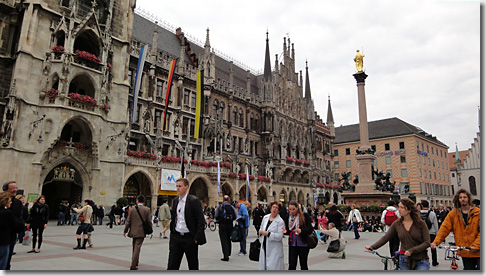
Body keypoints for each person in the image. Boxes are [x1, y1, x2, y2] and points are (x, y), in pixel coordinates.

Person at [366, 198, 430, 270]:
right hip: (404, 260)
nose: (399, 209)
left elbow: (427, 242)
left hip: (421, 260)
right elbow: (386, 237)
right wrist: (372, 247)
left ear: (409, 210)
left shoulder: (420, 223)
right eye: (399, 207)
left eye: (402, 207)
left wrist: (411, 250)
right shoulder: (397, 224)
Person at [431, 189, 480, 270]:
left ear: (469, 199)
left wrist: (476, 245)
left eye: (464, 197)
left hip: (478, 250)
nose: (462, 199)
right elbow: (444, 228)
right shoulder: (453, 214)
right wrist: (436, 242)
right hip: (465, 250)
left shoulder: (478, 213)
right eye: (460, 197)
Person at [167, 178, 206, 270]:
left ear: (186, 187)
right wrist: (172, 232)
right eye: (176, 186)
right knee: (172, 265)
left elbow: (201, 221)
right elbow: (174, 217)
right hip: (176, 237)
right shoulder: (176, 200)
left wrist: (196, 238)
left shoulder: (194, 201)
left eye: (180, 186)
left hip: (189, 238)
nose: (177, 188)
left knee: (192, 265)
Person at [282, 200, 314, 270]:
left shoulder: (304, 216)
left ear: (297, 208)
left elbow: (310, 229)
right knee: (292, 264)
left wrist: (301, 231)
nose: (292, 211)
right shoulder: (288, 217)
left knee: (303, 264)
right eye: (290, 209)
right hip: (293, 244)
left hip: (303, 243)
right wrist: (285, 231)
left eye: (293, 209)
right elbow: (288, 230)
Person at [123, 195, 152, 270]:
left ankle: (135, 261)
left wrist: (125, 230)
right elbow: (149, 221)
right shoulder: (147, 209)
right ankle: (133, 264)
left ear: (137, 201)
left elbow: (128, 221)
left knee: (134, 246)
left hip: (133, 231)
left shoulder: (132, 209)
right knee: (137, 247)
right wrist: (150, 230)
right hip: (141, 231)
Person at [2, 181, 23, 270]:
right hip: (2, 234)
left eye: (16, 188)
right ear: (6, 190)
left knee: (7, 258)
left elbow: (19, 217)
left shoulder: (17, 203)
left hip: (11, 235)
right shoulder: (1, 201)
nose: (15, 190)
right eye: (13, 188)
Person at [258, 201, 285, 270]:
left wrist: (269, 234)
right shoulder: (265, 218)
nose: (274, 209)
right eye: (273, 207)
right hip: (265, 244)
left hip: (274, 248)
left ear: (278, 211)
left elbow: (280, 236)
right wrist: (260, 231)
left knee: (273, 266)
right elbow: (261, 227)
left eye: (276, 208)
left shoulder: (280, 221)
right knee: (264, 265)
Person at [215, 195, 236, 261]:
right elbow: (235, 216)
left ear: (223, 200)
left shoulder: (220, 206)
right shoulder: (232, 207)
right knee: (228, 239)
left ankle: (226, 255)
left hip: (222, 225)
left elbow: (216, 215)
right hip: (230, 225)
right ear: (229, 200)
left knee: (223, 240)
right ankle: (229, 252)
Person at [420, 200, 439, 266]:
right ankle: (434, 261)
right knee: (433, 248)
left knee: (422, 247)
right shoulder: (432, 213)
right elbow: (435, 224)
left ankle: (422, 261)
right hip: (431, 232)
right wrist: (437, 233)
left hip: (422, 233)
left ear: (422, 206)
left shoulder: (419, 214)